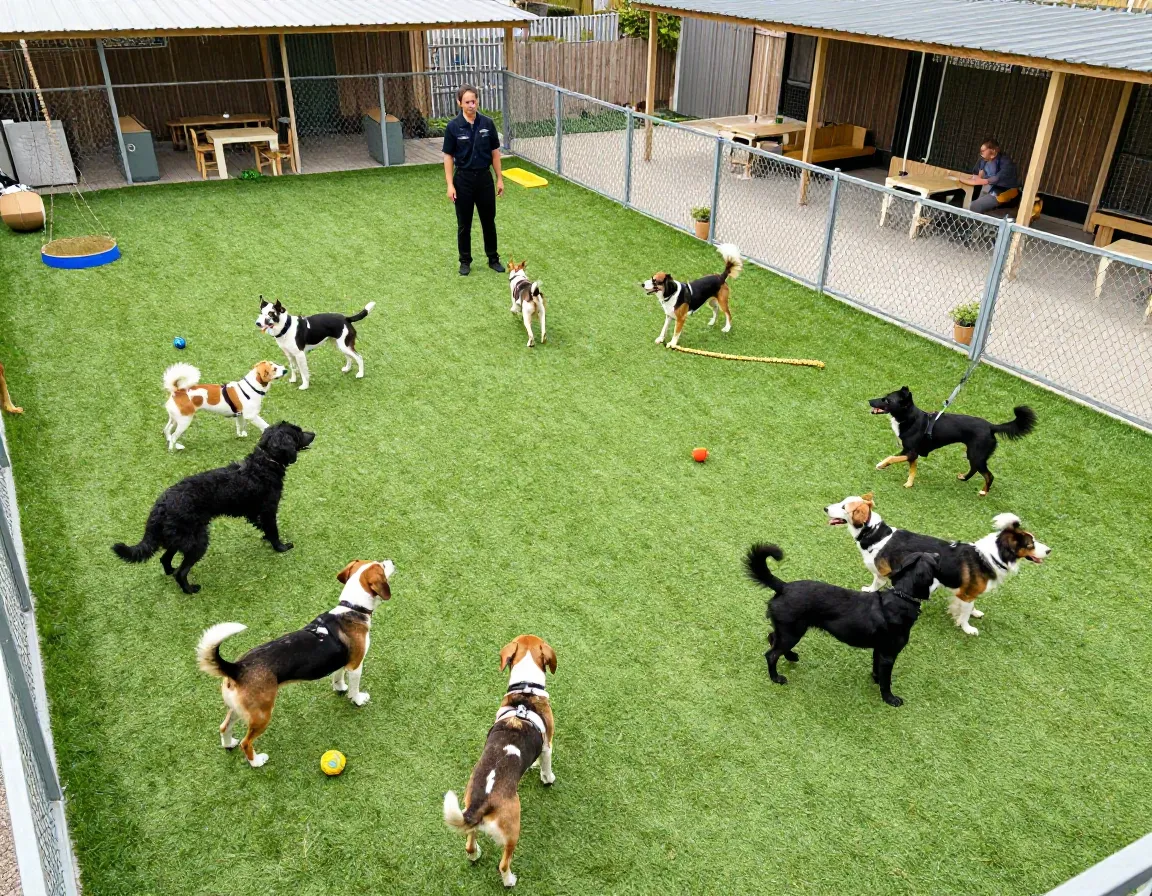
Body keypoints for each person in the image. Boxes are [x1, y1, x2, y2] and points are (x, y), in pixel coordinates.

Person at [443, 85, 504, 276]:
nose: (471, 105)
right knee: (464, 224)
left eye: (474, 101)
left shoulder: (487, 123)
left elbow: (495, 153)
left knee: (488, 221)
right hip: (463, 181)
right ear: (459, 103)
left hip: (484, 179)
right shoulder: (453, 127)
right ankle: (465, 261)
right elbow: (448, 157)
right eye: (467, 102)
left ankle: (493, 258)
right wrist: (450, 185)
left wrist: (499, 179)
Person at [956, 138, 1021, 214]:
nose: (981, 153)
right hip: (987, 188)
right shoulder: (983, 160)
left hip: (1003, 192)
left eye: (983, 151)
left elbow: (998, 178)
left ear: (993, 151)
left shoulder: (1006, 162)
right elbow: (977, 175)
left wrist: (982, 181)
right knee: (960, 196)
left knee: (974, 206)